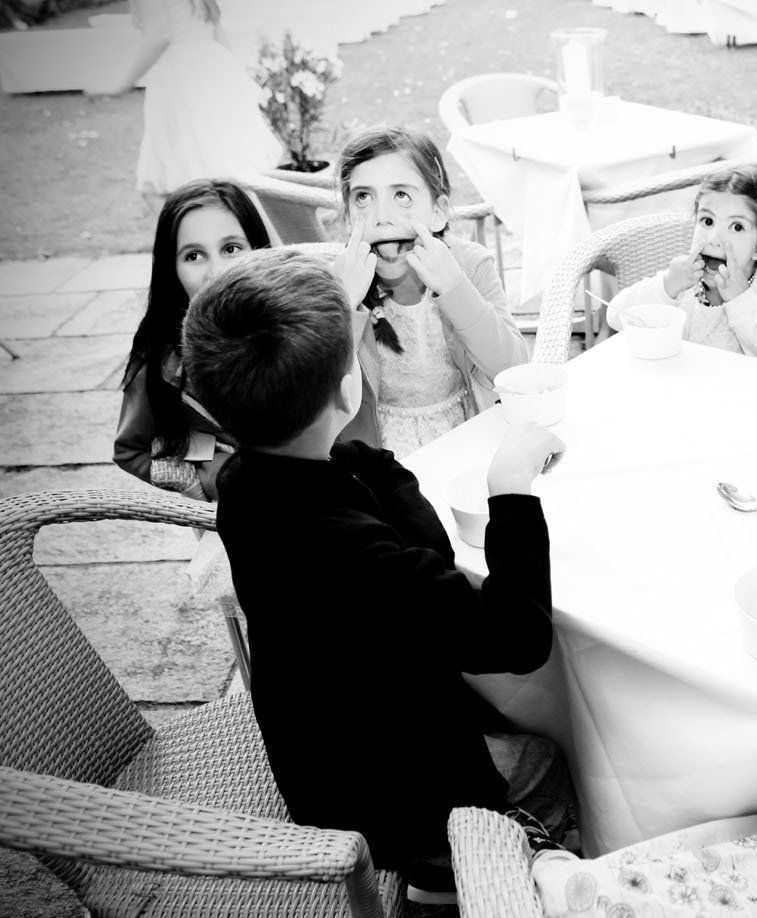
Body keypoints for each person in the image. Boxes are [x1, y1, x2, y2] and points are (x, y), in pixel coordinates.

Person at [180, 248, 573, 903]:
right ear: (347, 389)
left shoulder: (244, 482)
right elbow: (518, 638)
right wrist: (510, 487)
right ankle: (455, 874)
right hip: (386, 796)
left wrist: (373, 467)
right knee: (557, 757)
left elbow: (403, 525)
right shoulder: (353, 553)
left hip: (318, 743)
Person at [330, 126, 528, 458]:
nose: (381, 218)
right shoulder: (338, 283)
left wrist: (455, 289)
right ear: (349, 218)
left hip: (468, 435)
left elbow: (514, 370)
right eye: (363, 197)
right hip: (379, 456)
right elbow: (318, 402)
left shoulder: (470, 266)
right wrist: (343, 308)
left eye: (401, 195)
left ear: (437, 212)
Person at [113, 178, 272, 501]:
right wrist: (204, 472)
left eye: (231, 249)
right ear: (171, 269)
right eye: (194, 255)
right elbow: (131, 451)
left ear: (260, 251)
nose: (216, 272)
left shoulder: (295, 326)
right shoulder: (160, 363)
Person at [604, 166, 757, 370]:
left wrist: (741, 301)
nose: (714, 239)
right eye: (707, 221)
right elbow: (615, 317)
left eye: (737, 227)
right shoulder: (684, 280)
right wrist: (668, 285)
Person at [90, 0, 281, 209]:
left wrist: (119, 85)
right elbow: (217, 31)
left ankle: (196, 229)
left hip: (182, 78)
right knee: (224, 175)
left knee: (162, 189)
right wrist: (236, 79)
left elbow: (159, 35)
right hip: (214, 68)